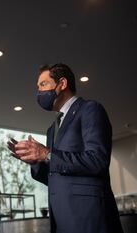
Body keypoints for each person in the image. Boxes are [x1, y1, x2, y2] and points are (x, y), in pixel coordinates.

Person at [8, 63, 123, 233]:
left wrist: (47, 154)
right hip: (62, 220)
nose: (39, 92)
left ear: (62, 83)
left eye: (43, 84)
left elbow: (98, 160)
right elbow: (57, 177)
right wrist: (35, 160)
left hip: (89, 217)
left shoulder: (90, 110)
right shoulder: (52, 128)